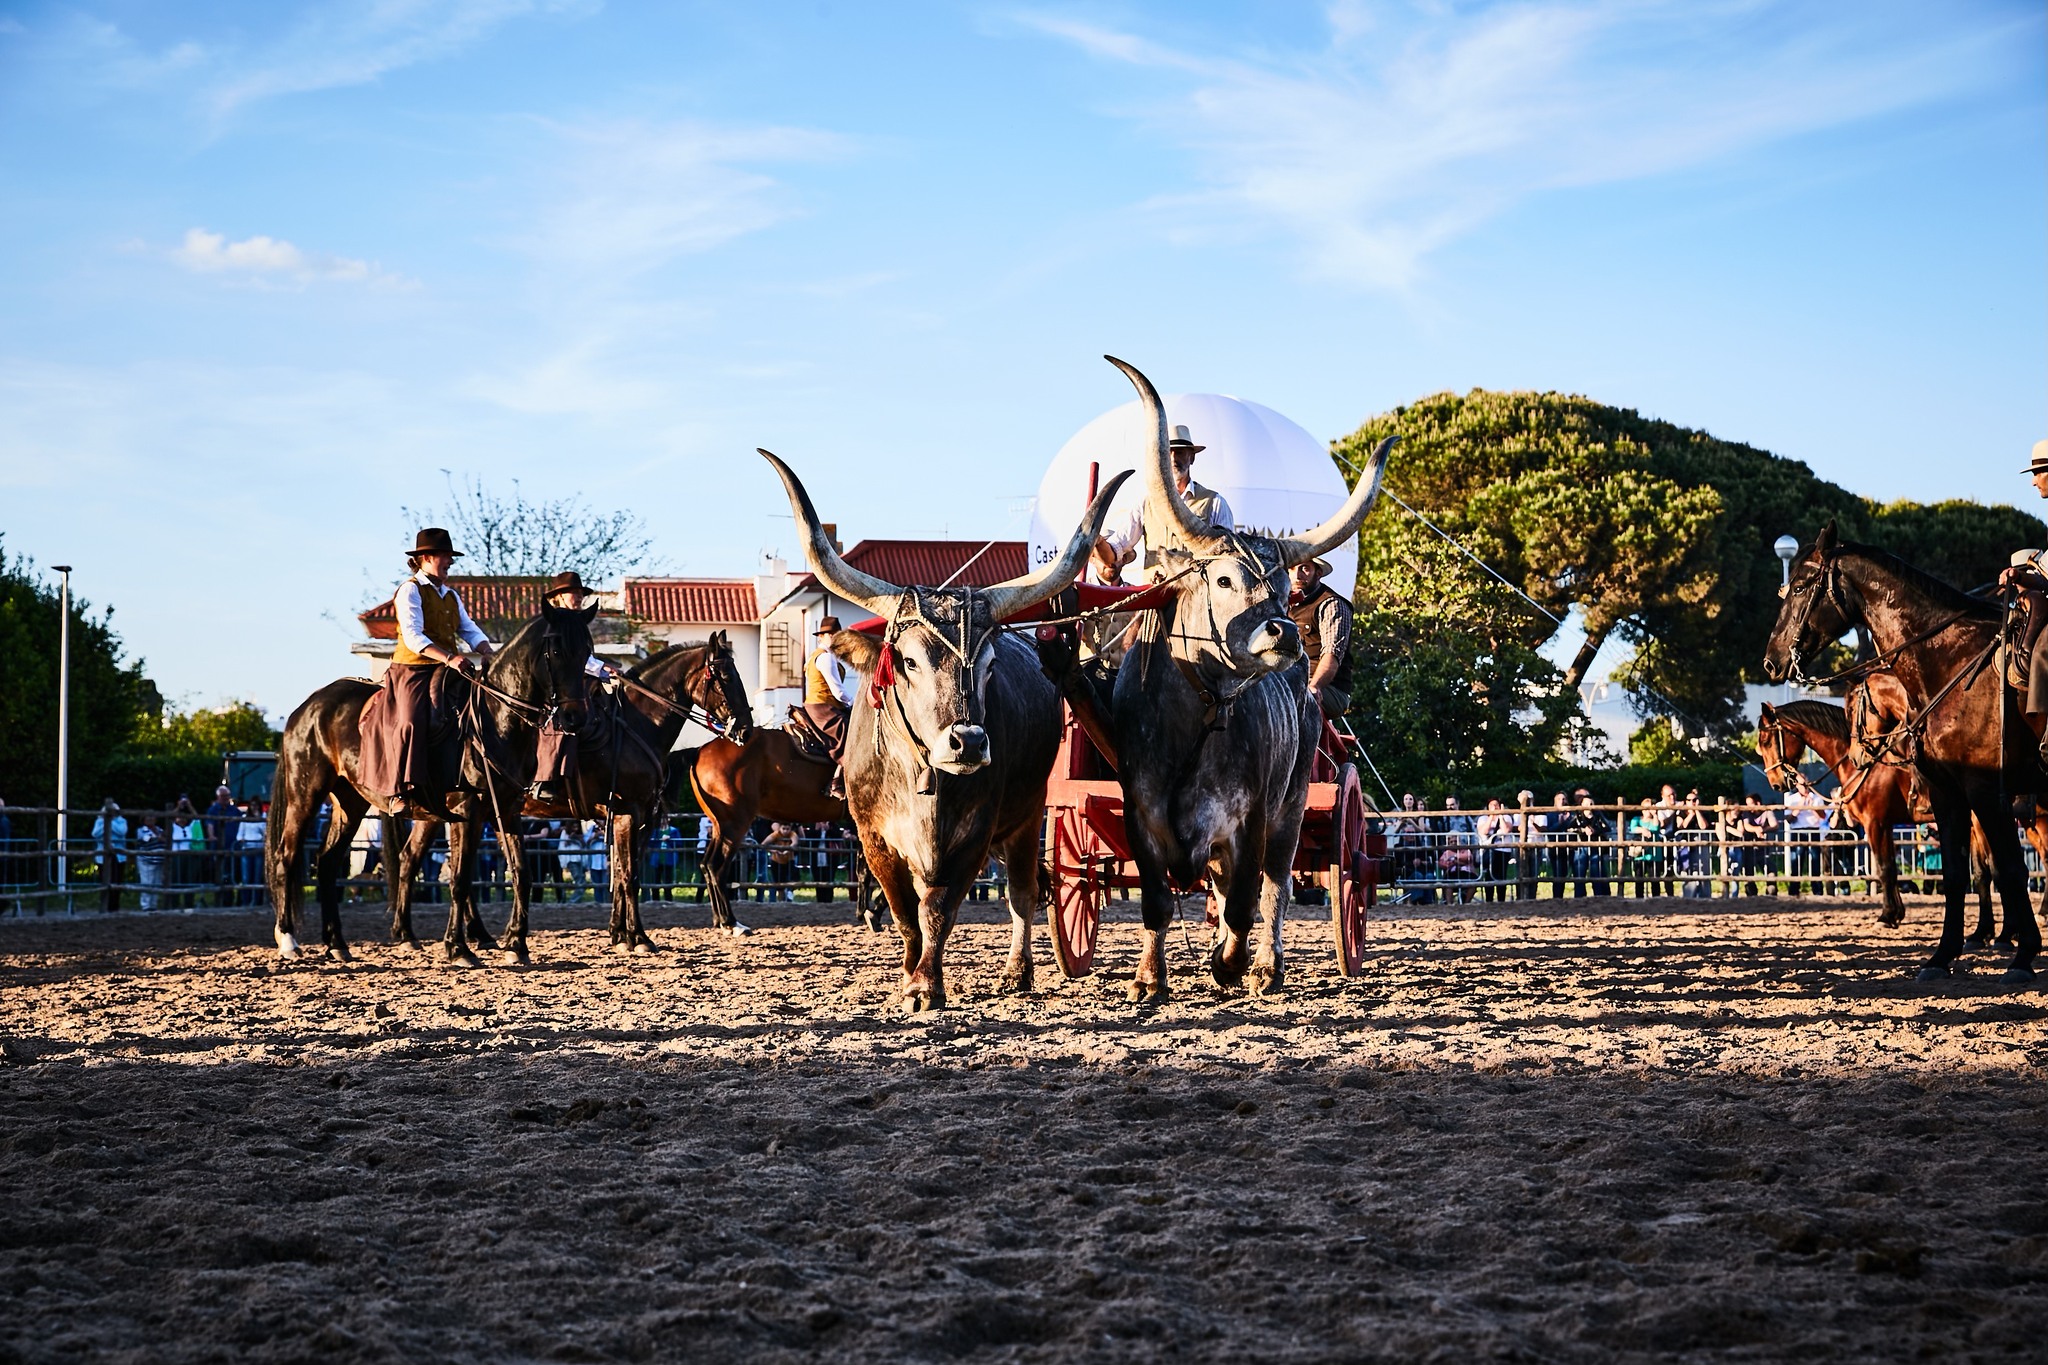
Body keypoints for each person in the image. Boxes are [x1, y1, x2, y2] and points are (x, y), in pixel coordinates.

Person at [358, 528, 495, 807]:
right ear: (425, 558)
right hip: (413, 670)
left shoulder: (451, 595)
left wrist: (487, 650)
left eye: (449, 557)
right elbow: (413, 636)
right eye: (444, 556)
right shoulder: (410, 590)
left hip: (448, 668)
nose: (449, 562)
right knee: (408, 722)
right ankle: (398, 789)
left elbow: (468, 629)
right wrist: (449, 657)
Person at [1091, 424, 1236, 584]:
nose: (1173, 458)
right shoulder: (1146, 504)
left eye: (1180, 452)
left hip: (1197, 600)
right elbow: (1115, 550)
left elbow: (1228, 558)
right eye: (1167, 452)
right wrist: (1096, 541)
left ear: (1191, 457)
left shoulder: (1214, 503)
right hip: (1155, 600)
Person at [529, 571, 618, 805]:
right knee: (560, 722)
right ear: (558, 597)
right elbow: (568, 659)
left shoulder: (578, 622)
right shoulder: (554, 622)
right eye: (573, 593)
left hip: (581, 682)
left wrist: (604, 670)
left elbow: (581, 657)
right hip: (554, 686)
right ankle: (544, 779)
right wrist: (600, 668)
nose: (578, 597)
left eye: (580, 593)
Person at [1288, 557, 1354, 720]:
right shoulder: (1283, 604)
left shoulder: (1332, 604)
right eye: (1292, 568)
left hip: (1329, 690)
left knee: (1284, 693)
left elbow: (1332, 655)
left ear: (1318, 573)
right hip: (1290, 680)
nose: (1297, 575)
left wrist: (1314, 686)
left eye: (1304, 568)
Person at [800, 616, 859, 799]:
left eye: (837, 635)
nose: (834, 638)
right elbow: (838, 692)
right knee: (853, 737)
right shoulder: (826, 658)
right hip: (824, 707)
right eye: (831, 635)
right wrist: (856, 704)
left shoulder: (814, 656)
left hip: (816, 704)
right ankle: (837, 783)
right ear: (822, 637)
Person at [1783, 774, 1829, 895]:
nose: (1804, 787)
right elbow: (1788, 818)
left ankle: (1817, 890)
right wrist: (1800, 806)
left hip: (1813, 830)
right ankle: (1794, 890)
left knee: (1815, 861)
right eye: (1801, 784)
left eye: (1805, 784)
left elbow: (1823, 816)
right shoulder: (1791, 799)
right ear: (1796, 785)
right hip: (1798, 830)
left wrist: (1812, 807)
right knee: (1796, 861)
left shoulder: (1816, 798)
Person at [91, 798, 129, 912]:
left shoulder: (122, 821)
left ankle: (115, 906)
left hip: (119, 856)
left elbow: (122, 832)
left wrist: (110, 822)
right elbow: (95, 834)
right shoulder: (99, 822)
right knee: (104, 880)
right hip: (102, 856)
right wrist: (105, 822)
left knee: (117, 881)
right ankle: (104, 905)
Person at [763, 821, 799, 902]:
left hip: (789, 860)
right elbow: (763, 844)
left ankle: (789, 896)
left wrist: (788, 849)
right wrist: (774, 851)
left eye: (787, 829)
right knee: (779, 885)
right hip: (776, 861)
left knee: (792, 879)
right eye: (783, 829)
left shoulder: (792, 834)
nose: (785, 831)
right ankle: (781, 901)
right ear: (780, 828)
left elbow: (795, 842)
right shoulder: (775, 834)